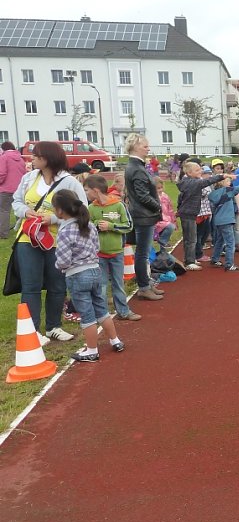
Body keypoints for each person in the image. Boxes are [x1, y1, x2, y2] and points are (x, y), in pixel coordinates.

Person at [11, 141, 88, 345]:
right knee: (31, 285)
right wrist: (26, 212)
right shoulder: (29, 178)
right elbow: (16, 201)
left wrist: (52, 219)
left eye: (36, 156)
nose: (31, 159)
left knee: (57, 285)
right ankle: (32, 330)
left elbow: (82, 210)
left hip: (58, 240)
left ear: (48, 158)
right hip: (28, 238)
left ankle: (54, 326)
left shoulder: (69, 182)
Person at [52, 190, 124, 362]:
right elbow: (97, 247)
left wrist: (59, 266)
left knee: (86, 314)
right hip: (95, 271)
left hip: (77, 275)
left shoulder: (65, 231)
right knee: (101, 309)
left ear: (60, 211)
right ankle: (116, 340)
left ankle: (92, 350)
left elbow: (63, 260)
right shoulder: (89, 225)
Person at [83, 174, 141, 322]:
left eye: (87, 190)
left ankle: (123, 311)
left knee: (118, 284)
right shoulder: (91, 208)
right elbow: (86, 228)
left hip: (117, 253)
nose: (86, 193)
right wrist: (96, 225)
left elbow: (128, 225)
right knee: (100, 286)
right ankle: (102, 315)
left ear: (96, 190)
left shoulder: (119, 205)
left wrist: (111, 226)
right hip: (99, 254)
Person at [124, 133, 164, 301]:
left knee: (143, 253)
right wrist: (158, 206)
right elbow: (142, 195)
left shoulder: (136, 166)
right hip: (143, 216)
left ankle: (146, 283)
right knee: (142, 254)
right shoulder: (137, 168)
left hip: (142, 215)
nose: (148, 148)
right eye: (145, 146)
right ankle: (143, 287)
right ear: (135, 147)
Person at [177, 160, 225, 270]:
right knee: (191, 238)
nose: (200, 171)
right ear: (189, 173)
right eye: (197, 170)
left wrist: (179, 208)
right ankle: (189, 261)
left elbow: (181, 197)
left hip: (189, 213)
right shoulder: (192, 183)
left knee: (190, 238)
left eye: (200, 169)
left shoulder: (189, 181)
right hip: (188, 214)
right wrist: (222, 176)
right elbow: (207, 182)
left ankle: (190, 258)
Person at [209, 174, 239, 271]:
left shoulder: (213, 194)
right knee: (230, 242)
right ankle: (229, 264)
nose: (230, 183)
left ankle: (215, 259)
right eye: (228, 181)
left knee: (219, 241)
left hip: (218, 220)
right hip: (227, 220)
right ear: (223, 183)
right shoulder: (228, 191)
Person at [0, 141, 27, 239]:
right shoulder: (20, 158)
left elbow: (1, 173)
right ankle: (21, 231)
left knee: (4, 211)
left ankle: (3, 233)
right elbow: (24, 173)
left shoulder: (4, 157)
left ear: (3, 149)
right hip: (19, 188)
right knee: (19, 210)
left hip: (6, 189)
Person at [153, 177, 176, 250]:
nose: (160, 190)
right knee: (170, 227)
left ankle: (163, 256)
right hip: (157, 221)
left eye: (161, 187)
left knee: (170, 228)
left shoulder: (165, 196)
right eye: (158, 188)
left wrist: (173, 220)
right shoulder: (151, 198)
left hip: (166, 219)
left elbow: (170, 209)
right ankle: (162, 241)